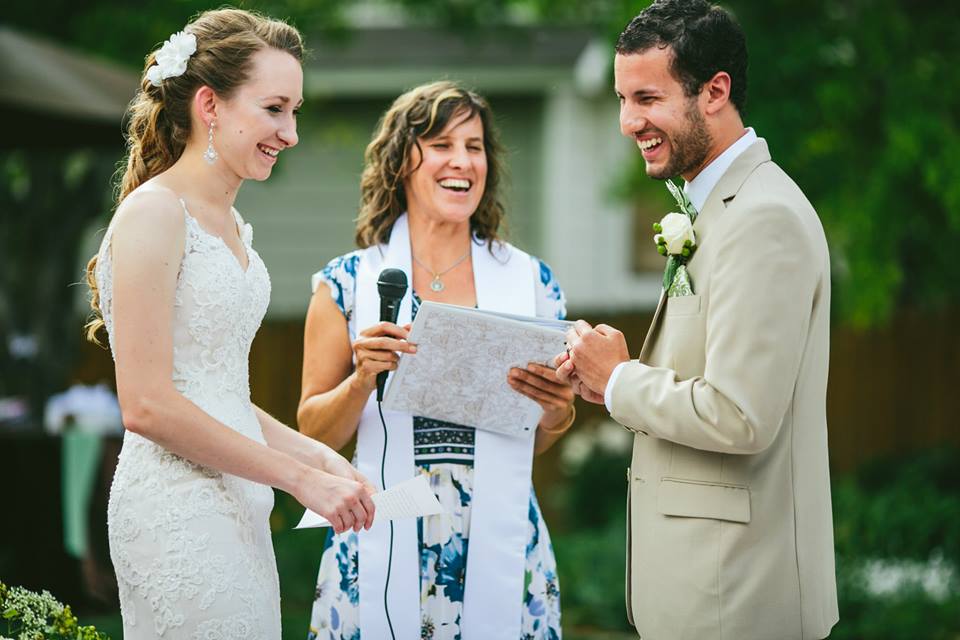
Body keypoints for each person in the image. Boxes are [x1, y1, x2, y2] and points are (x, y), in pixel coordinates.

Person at [83, 9, 376, 639]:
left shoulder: (234, 229)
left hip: (239, 505)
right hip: (174, 511)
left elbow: (217, 394)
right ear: (210, 105)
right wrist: (298, 480)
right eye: (274, 109)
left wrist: (319, 457)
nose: (290, 132)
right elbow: (148, 406)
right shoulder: (154, 214)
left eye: (295, 111)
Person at [556, 1, 839, 638]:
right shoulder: (714, 210)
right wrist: (605, 376)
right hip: (704, 593)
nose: (629, 123)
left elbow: (740, 414)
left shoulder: (762, 218)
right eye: (623, 100)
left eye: (648, 99)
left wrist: (622, 380)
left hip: (736, 599)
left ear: (714, 92)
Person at [299, 81, 573, 640]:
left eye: (474, 147)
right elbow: (312, 432)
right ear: (402, 161)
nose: (463, 161)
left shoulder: (532, 283)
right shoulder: (345, 284)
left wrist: (557, 410)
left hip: (499, 534)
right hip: (383, 523)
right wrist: (361, 380)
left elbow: (543, 433)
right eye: (442, 144)